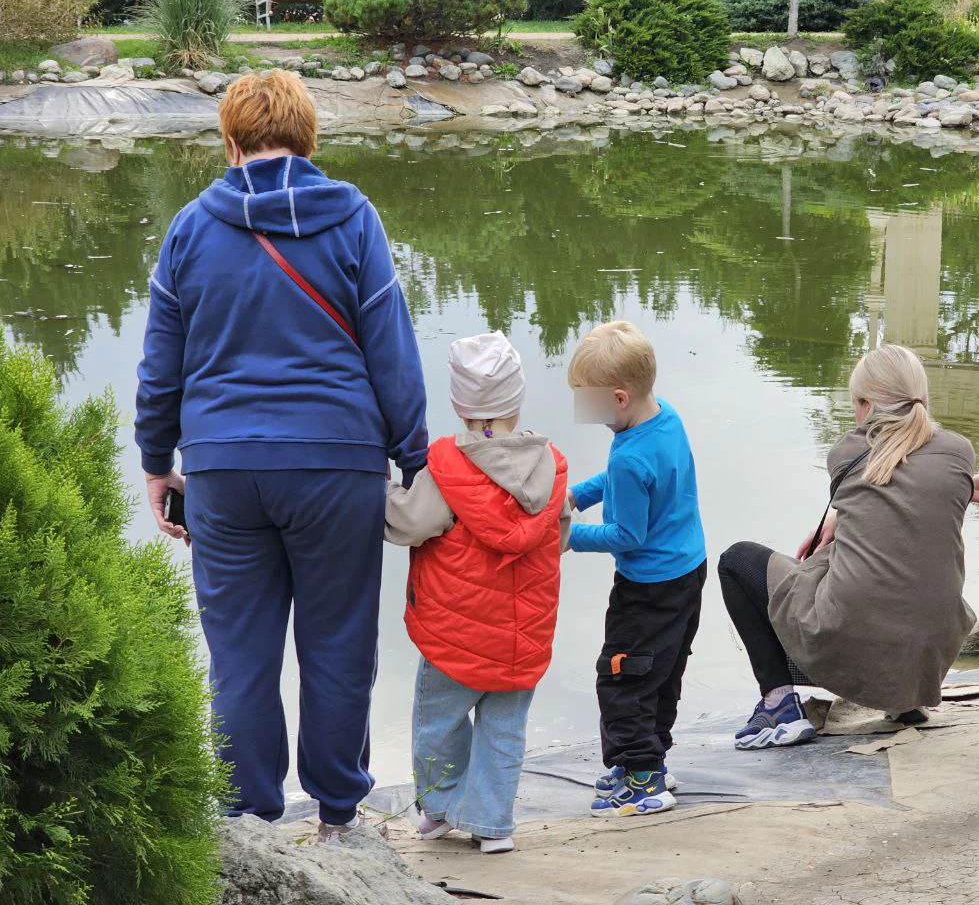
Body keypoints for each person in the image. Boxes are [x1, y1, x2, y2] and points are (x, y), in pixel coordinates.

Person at [134, 70, 427, 842]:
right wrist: (414, 453)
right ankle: (338, 818)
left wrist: (156, 458)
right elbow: (389, 348)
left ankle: (246, 820)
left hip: (224, 466)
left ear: (230, 143)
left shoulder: (192, 228)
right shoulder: (354, 217)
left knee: (239, 654)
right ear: (308, 138)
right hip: (338, 462)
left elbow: (161, 361)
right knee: (337, 645)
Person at [718, 343, 979, 749]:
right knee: (897, 571)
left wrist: (835, 520)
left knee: (737, 561)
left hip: (851, 646)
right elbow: (908, 499)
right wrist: (967, 487)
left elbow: (885, 485)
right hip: (929, 655)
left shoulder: (846, 453)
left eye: (855, 403)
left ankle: (778, 703)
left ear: (866, 403)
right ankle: (904, 703)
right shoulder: (959, 451)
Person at [385, 331, 569, 854]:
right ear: (516, 399)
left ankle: (441, 808)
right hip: (523, 636)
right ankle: (493, 825)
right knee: (503, 729)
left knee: (438, 723)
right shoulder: (551, 466)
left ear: (459, 404)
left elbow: (409, 524)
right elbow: (559, 540)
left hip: (454, 638)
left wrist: (382, 489)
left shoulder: (445, 466)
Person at [564, 321, 705, 818]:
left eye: (590, 403)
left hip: (647, 590)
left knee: (622, 677)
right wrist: (579, 495)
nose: (588, 415)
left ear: (619, 398)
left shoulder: (629, 456)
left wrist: (563, 536)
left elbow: (627, 535)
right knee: (661, 673)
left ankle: (643, 777)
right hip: (688, 572)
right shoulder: (665, 416)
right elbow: (633, 478)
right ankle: (651, 760)